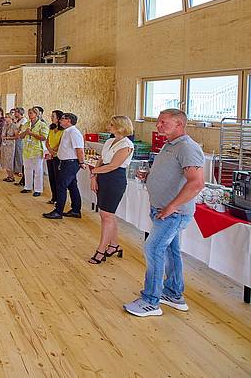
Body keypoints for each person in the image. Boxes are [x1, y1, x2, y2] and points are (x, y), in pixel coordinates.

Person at [124, 109, 204, 317]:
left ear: (179, 125)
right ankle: (174, 294)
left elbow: (196, 183)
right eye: (158, 122)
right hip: (162, 210)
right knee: (170, 251)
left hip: (172, 214)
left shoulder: (187, 147)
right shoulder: (170, 145)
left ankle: (150, 301)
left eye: (163, 122)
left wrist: (172, 206)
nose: (158, 126)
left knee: (153, 249)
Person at [88, 116, 134, 264]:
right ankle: (114, 245)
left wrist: (95, 171)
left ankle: (101, 250)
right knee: (106, 215)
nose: (108, 126)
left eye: (111, 124)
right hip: (103, 177)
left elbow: (113, 166)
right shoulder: (109, 141)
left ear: (120, 127)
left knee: (107, 215)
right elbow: (101, 160)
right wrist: (94, 176)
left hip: (115, 180)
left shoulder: (126, 145)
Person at [44, 112, 85, 219]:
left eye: (63, 118)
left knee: (61, 185)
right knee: (72, 186)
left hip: (70, 163)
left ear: (69, 121)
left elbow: (79, 149)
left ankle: (58, 211)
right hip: (66, 162)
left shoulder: (74, 132)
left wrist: (81, 162)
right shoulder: (67, 132)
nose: (60, 120)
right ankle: (76, 210)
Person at [19, 107, 49, 197]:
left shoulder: (42, 125)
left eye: (31, 113)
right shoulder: (26, 124)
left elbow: (44, 137)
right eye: (28, 113)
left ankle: (38, 189)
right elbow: (20, 136)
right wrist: (26, 132)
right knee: (27, 169)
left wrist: (32, 134)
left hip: (36, 150)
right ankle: (27, 187)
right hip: (27, 150)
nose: (29, 115)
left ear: (36, 114)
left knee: (38, 170)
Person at [45, 110, 65, 207]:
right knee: (51, 177)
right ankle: (54, 197)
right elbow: (47, 141)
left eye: (53, 116)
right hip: (50, 155)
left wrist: (53, 152)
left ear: (58, 118)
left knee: (58, 178)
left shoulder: (63, 130)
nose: (51, 118)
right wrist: (50, 150)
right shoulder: (51, 128)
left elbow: (61, 143)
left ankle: (58, 199)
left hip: (58, 157)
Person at [0, 114, 18, 181]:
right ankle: (8, 175)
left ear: (11, 118)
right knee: (5, 160)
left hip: (10, 145)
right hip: (4, 144)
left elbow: (16, 137)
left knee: (9, 160)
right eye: (5, 117)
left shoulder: (14, 126)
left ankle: (12, 176)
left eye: (7, 117)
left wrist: (7, 138)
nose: (5, 118)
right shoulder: (5, 125)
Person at [12, 107, 27, 187]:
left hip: (20, 138)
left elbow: (20, 129)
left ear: (19, 113)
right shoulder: (17, 120)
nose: (14, 114)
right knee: (16, 154)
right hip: (16, 138)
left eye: (16, 112)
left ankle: (21, 170)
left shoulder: (24, 120)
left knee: (19, 154)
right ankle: (17, 169)